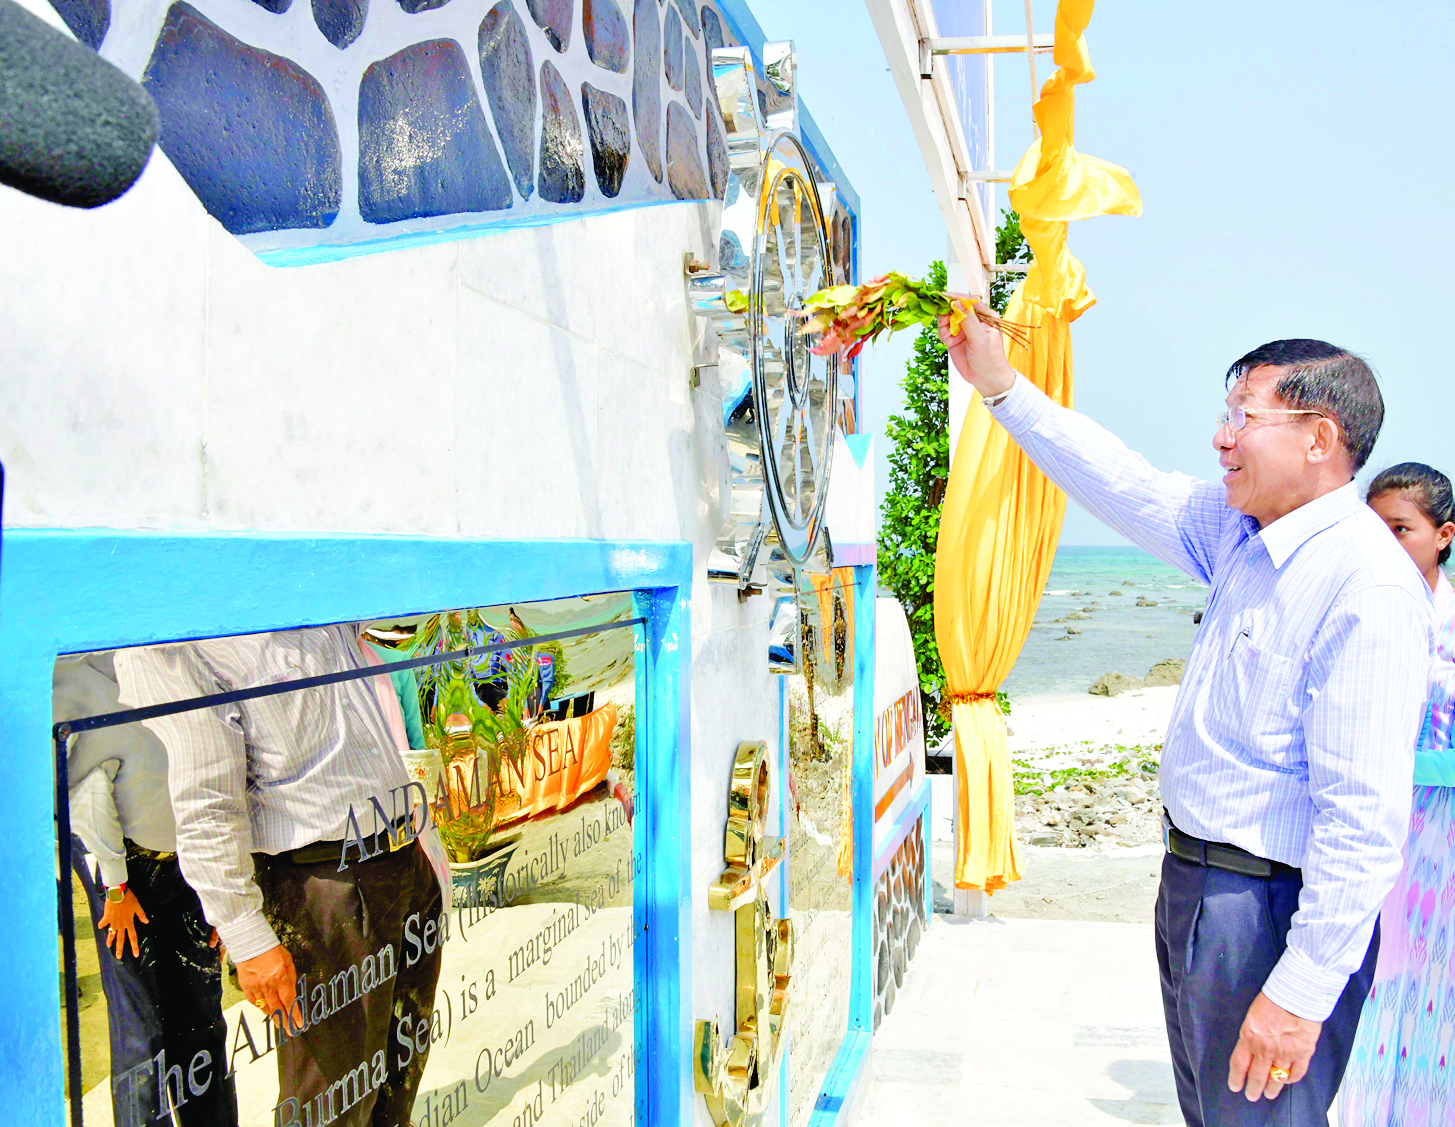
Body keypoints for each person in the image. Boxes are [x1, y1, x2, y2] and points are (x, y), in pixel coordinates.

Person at [939, 318, 1430, 1125]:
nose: (1220, 437)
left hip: (1268, 909)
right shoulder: (1242, 535)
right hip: (1195, 887)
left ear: (1318, 437)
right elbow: (1121, 479)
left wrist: (1299, 992)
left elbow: (1363, 820)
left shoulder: (1364, 586)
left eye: (1244, 416)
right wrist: (999, 387)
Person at [114, 623, 444, 1127]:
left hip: (399, 858)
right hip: (324, 885)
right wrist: (245, 933)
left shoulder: (296, 591)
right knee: (331, 1107)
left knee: (395, 1085)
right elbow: (206, 800)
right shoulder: (178, 634)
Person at [55, 652, 237, 1127]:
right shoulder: (76, 675)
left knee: (191, 1019)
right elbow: (85, 796)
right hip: (129, 864)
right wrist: (116, 887)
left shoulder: (144, 657)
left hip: (180, 853)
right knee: (146, 1028)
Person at [1339, 463, 1455, 1124]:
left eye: (1400, 529)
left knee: (1438, 982)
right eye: (1373, 529)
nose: (1384, 544)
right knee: (1373, 975)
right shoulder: (1357, 609)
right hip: (1371, 824)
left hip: (1443, 832)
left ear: (1443, 535)